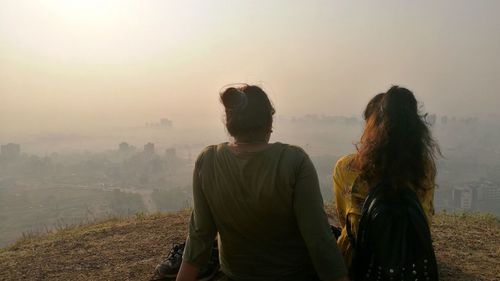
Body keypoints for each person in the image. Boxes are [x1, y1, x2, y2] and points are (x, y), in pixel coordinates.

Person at [175, 84, 348, 281]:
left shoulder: (207, 160)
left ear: (230, 124)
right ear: (269, 122)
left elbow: (200, 235)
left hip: (236, 275)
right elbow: (318, 239)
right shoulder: (294, 160)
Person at [333, 86, 439, 267]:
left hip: (357, 265)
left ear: (371, 126)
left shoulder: (347, 168)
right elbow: (425, 220)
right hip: (409, 265)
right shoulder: (424, 169)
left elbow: (345, 220)